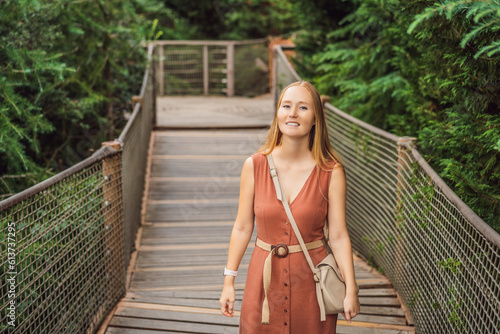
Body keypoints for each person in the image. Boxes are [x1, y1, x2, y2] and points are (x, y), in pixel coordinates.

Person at [219, 81, 360, 333]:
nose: (292, 113)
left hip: (313, 283)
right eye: (286, 106)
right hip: (262, 281)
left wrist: (351, 288)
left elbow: (338, 236)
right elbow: (241, 227)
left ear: (316, 118)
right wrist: (228, 281)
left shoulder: (331, 172)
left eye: (303, 107)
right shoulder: (254, 165)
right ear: (278, 114)